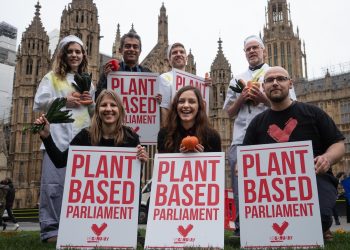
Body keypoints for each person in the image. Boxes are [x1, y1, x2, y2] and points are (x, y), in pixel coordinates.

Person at [243, 66, 345, 241]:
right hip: (271, 188)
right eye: (269, 80)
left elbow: (339, 144)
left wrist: (327, 158)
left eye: (280, 79)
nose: (275, 83)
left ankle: (322, 225)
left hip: (313, 181)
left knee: (315, 220)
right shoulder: (257, 123)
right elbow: (245, 156)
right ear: (263, 86)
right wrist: (241, 166)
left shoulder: (313, 113)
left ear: (290, 84)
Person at [223, 35, 296, 237]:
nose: (252, 51)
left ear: (264, 50)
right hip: (240, 139)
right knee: (240, 185)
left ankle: (274, 226)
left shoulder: (276, 75)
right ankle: (241, 228)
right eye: (248, 49)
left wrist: (262, 98)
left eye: (255, 47)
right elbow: (228, 112)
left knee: (272, 184)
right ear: (245, 53)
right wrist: (242, 99)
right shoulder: (236, 79)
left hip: (271, 138)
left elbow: (291, 106)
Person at [33, 35, 94, 242]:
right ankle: (51, 230)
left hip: (82, 139)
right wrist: (64, 101)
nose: (75, 55)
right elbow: (39, 104)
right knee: (53, 186)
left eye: (78, 52)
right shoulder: (52, 77)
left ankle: (77, 227)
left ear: (83, 55)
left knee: (81, 187)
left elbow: (93, 111)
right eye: (71, 51)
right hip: (56, 139)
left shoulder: (87, 80)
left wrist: (90, 102)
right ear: (63, 54)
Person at [158, 42, 212, 126]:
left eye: (181, 52)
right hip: (175, 127)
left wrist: (208, 87)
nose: (178, 54)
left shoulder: (196, 81)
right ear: (169, 60)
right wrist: (167, 132)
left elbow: (203, 106)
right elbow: (164, 108)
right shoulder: (164, 78)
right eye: (174, 53)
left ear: (186, 58)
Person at [158, 85, 221, 153]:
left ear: (199, 106)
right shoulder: (165, 134)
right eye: (181, 101)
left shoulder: (212, 136)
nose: (186, 105)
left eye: (191, 102)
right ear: (176, 106)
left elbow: (216, 162)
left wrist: (202, 157)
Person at [95, 31, 151, 99]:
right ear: (120, 50)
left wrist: (158, 99)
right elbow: (98, 98)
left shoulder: (148, 74)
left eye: (135, 47)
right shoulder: (110, 71)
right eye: (127, 46)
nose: (131, 49)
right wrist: (107, 80)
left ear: (140, 51)